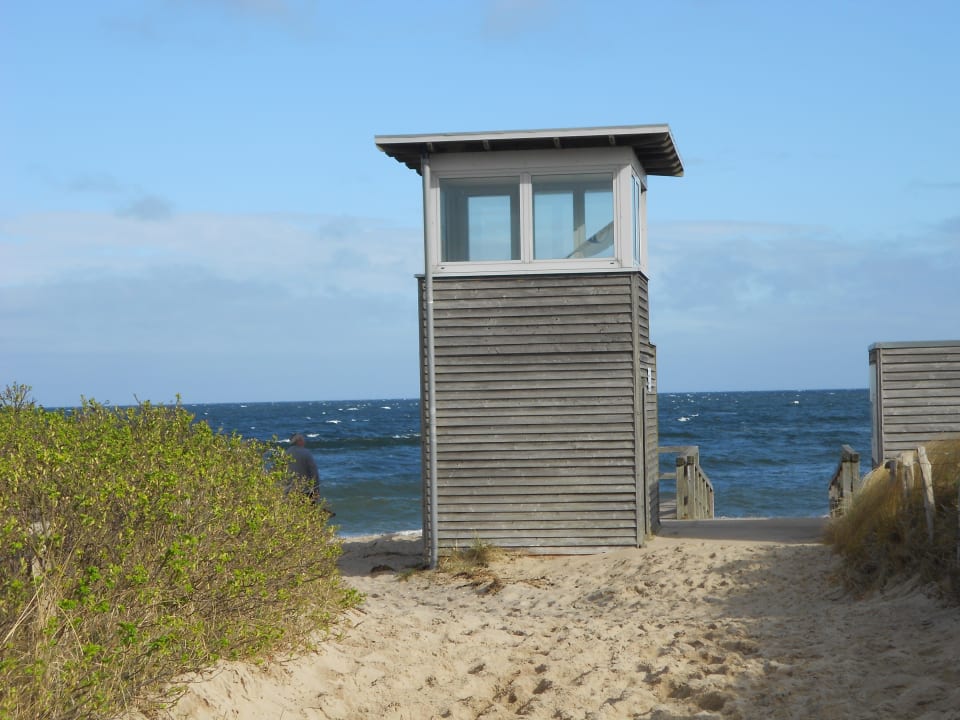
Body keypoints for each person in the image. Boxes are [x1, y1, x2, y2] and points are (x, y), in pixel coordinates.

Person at [284, 433, 320, 502]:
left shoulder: (286, 453)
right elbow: (314, 472)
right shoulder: (306, 453)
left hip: (289, 491)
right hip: (305, 490)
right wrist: (316, 490)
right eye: (303, 440)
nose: (304, 442)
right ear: (299, 441)